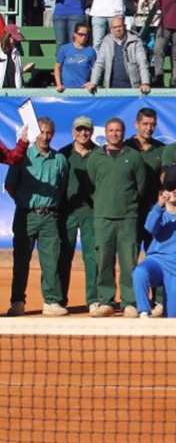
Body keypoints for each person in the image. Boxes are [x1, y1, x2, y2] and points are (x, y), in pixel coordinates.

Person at [6, 117, 68, 317]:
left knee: (51, 261)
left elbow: (63, 187)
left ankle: (51, 301)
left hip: (50, 218)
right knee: (21, 261)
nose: (45, 136)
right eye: (41, 132)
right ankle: (17, 302)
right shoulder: (23, 156)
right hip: (26, 216)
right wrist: (25, 204)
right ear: (35, 133)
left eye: (49, 132)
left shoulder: (59, 160)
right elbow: (10, 185)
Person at [86, 118, 146, 317]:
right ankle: (106, 301)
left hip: (128, 218)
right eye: (111, 130)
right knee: (103, 260)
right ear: (106, 132)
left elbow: (141, 187)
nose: (114, 134)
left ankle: (129, 301)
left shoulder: (135, 157)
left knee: (129, 261)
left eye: (118, 131)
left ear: (123, 132)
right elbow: (92, 184)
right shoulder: (95, 157)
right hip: (103, 217)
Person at [133, 176, 176, 318]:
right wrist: (159, 205)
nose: (174, 192)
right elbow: (150, 227)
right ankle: (144, 312)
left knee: (172, 317)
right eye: (170, 189)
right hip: (156, 262)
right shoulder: (159, 214)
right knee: (140, 272)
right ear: (163, 193)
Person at [57, 116, 97, 313]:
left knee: (93, 257)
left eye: (86, 130)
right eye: (79, 129)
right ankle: (58, 300)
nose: (83, 133)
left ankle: (94, 300)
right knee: (63, 256)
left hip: (92, 214)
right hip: (67, 213)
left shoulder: (99, 154)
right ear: (73, 131)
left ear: (91, 131)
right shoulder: (63, 154)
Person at [125, 107, 166, 253]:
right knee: (130, 254)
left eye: (153, 124)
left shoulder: (161, 149)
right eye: (145, 124)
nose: (149, 128)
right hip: (131, 210)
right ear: (136, 124)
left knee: (154, 252)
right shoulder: (126, 147)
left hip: (153, 209)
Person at [90, 15, 151, 93]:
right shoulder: (107, 41)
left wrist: (145, 83)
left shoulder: (135, 40)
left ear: (124, 26)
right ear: (111, 29)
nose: (118, 29)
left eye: (120, 26)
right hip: (111, 87)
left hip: (132, 87)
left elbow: (142, 63)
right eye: (115, 27)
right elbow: (99, 63)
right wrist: (93, 82)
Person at [0, 25, 26, 89]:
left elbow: (18, 74)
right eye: (14, 39)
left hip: (13, 91)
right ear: (7, 36)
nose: (15, 41)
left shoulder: (16, 52)